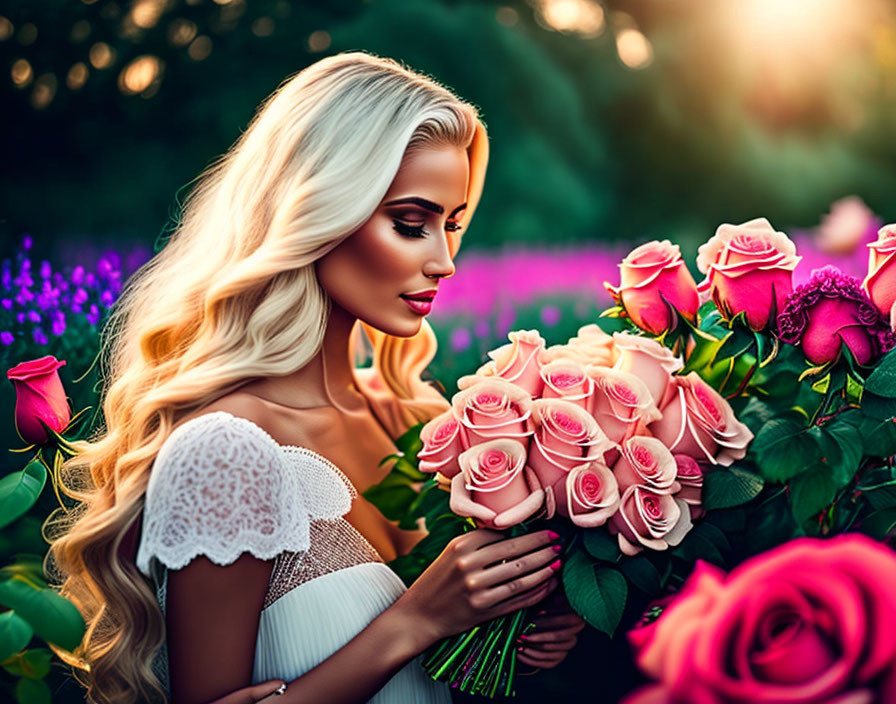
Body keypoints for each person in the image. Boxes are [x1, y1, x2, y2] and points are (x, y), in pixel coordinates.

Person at [46, 51, 584, 704]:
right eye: (411, 224)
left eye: (453, 225)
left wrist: (507, 641)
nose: (443, 261)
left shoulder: (417, 418)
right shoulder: (230, 451)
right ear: (315, 212)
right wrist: (416, 622)